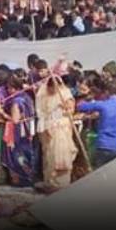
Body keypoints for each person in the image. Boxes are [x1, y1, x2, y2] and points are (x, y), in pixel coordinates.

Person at [34, 61, 77, 189]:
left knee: (62, 156)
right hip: (48, 129)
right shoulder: (43, 94)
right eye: (51, 87)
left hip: (62, 129)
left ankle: (61, 184)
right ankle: (49, 182)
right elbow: (41, 111)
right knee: (49, 156)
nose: (53, 90)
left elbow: (70, 109)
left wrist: (66, 108)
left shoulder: (65, 93)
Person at [76, 78, 116, 168]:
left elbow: (81, 107)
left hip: (103, 145)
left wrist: (86, 96)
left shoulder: (102, 105)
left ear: (107, 92)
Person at [1, 73, 37, 187]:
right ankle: (29, 177)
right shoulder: (27, 97)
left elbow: (15, 120)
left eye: (9, 88)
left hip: (19, 132)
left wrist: (1, 112)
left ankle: (20, 179)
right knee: (27, 153)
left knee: (17, 155)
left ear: (14, 88)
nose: (8, 91)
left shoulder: (16, 101)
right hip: (29, 129)